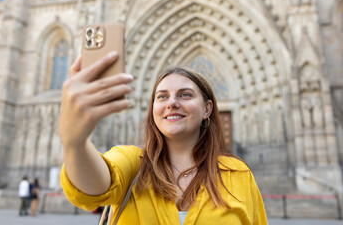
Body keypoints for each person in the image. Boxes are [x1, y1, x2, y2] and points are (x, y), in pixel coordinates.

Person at [59, 51, 268, 224]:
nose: (172, 103)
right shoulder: (133, 164)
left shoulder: (237, 174)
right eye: (162, 96)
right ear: (153, 110)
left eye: (185, 94)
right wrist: (75, 143)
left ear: (207, 109)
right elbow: (93, 188)